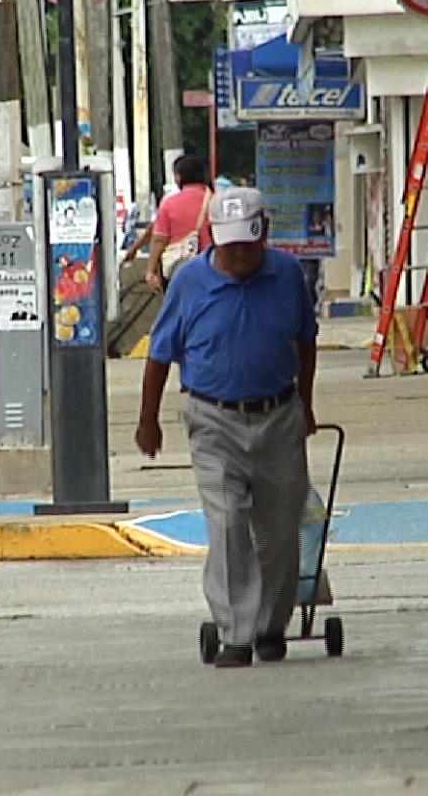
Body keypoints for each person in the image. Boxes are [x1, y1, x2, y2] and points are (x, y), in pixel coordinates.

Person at [135, 187, 318, 668]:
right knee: (229, 522)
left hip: (278, 417)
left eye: (249, 245)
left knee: (279, 530)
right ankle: (236, 630)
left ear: (265, 235)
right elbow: (159, 355)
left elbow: (306, 343)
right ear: (212, 237)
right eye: (230, 245)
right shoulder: (189, 282)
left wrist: (307, 405)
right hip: (212, 419)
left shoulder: (287, 275)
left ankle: (270, 625)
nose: (240, 255)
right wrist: (147, 420)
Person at [126, 155, 213, 290]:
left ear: (179, 176)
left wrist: (150, 271)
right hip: (213, 268)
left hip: (181, 271)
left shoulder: (170, 203)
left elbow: (159, 238)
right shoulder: (216, 199)